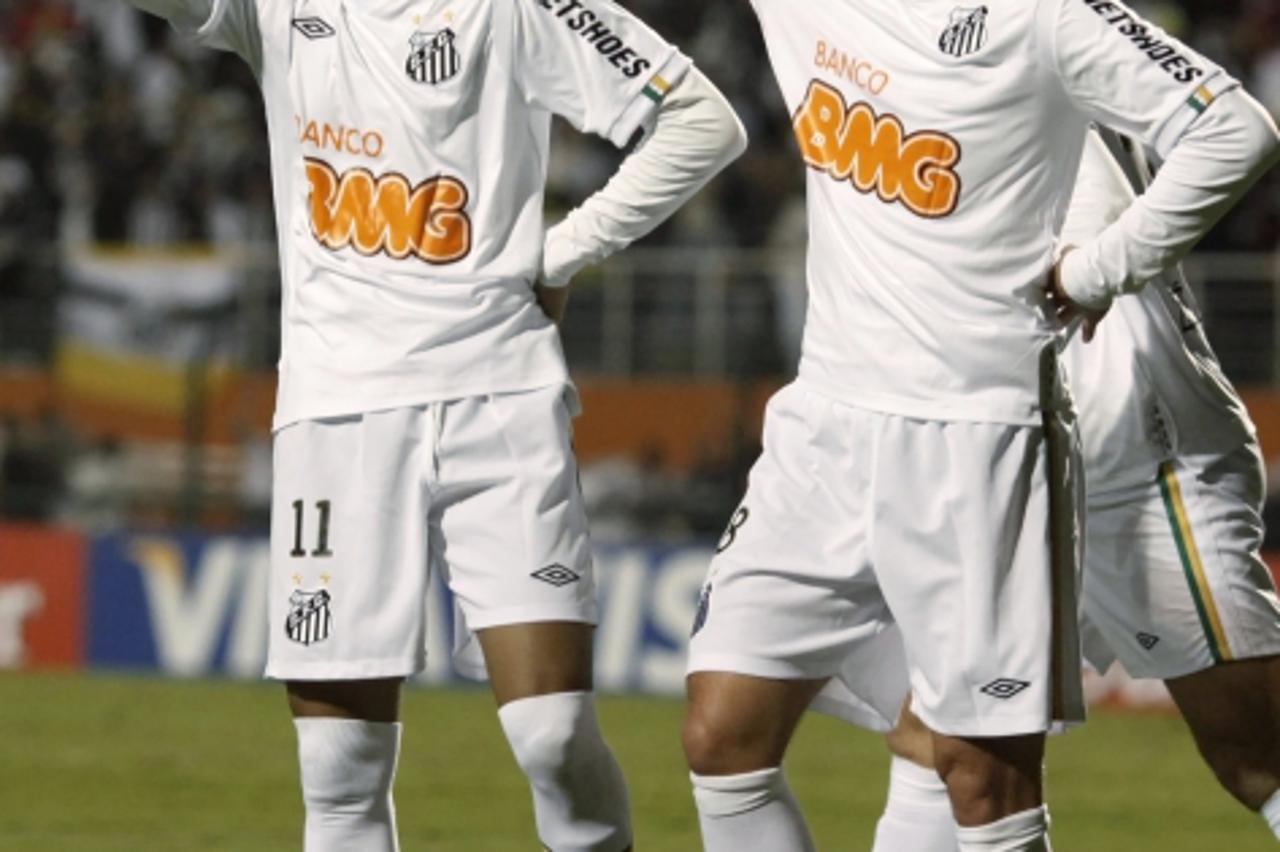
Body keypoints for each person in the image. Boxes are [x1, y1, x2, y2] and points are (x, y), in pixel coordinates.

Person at [123, 1, 746, 849]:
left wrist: (565, 252)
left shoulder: (522, 9)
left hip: (500, 396)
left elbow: (702, 121)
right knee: (340, 764)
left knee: (554, 736)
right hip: (337, 417)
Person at [681, 0, 1280, 849]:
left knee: (1253, 753)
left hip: (1120, 440)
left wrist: (1098, 274)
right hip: (868, 426)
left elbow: (1231, 132)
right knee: (884, 744)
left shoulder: (1046, 24)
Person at [870, 125, 1280, 850]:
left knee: (1258, 756)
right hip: (1030, 461)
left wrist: (1082, 273)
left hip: (1139, 460)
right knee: (944, 743)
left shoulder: (1026, 59)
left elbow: (1217, 145)